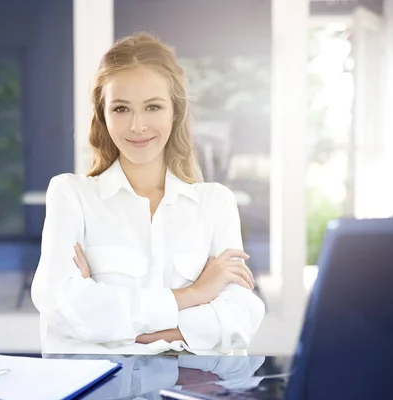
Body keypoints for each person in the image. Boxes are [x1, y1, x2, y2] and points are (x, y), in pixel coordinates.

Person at [32, 32, 265, 355]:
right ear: (103, 115)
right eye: (121, 109)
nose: (137, 126)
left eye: (153, 107)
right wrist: (194, 294)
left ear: (175, 112)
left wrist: (120, 328)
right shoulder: (72, 195)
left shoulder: (215, 203)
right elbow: (60, 306)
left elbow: (241, 313)